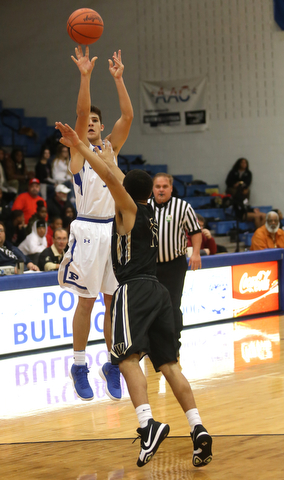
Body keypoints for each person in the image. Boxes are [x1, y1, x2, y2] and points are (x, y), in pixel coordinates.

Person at [55, 123, 213, 469]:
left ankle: (148, 425)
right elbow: (120, 179)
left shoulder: (129, 209)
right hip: (159, 291)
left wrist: (83, 146)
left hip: (135, 289)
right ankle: (198, 428)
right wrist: (111, 159)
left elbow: (113, 181)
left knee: (125, 359)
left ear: (128, 190)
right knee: (170, 366)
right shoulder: (154, 211)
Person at [57, 46, 133, 402]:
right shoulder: (77, 152)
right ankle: (79, 363)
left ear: (102, 128)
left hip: (112, 232)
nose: (89, 123)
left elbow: (128, 117)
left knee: (112, 303)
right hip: (88, 230)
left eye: (94, 122)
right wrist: (85, 76)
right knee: (86, 303)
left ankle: (113, 363)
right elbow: (80, 110)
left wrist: (118, 80)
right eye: (85, 122)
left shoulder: (109, 150)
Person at [148, 173, 202, 352]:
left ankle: (173, 343)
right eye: (157, 186)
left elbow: (195, 231)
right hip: (150, 266)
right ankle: (152, 344)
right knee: (151, 306)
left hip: (174, 264)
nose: (161, 190)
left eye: (164, 186)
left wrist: (195, 253)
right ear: (152, 189)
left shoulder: (183, 207)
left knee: (172, 304)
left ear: (171, 188)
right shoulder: (144, 207)